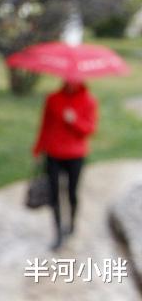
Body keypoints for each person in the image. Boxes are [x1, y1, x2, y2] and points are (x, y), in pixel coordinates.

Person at [32, 80, 98, 250]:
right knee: (54, 194)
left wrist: (73, 120)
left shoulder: (89, 100)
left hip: (75, 155)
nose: (70, 82)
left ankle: (72, 225)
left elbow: (90, 129)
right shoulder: (53, 99)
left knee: (72, 193)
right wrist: (38, 148)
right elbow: (45, 125)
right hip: (54, 153)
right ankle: (59, 232)